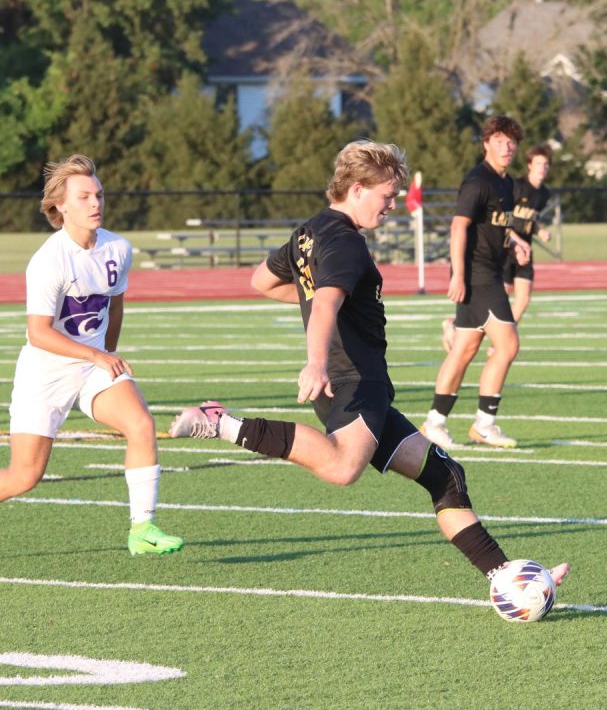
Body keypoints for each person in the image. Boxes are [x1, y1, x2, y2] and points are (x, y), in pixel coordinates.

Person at [167, 140, 568, 590]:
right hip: (354, 380)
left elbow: (262, 280)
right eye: (386, 195)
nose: (392, 206)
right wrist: (315, 360)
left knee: (445, 476)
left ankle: (505, 577)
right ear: (357, 189)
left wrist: (321, 308)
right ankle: (220, 423)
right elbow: (324, 304)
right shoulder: (344, 243)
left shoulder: (310, 231)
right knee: (342, 468)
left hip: (360, 381)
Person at [0, 155, 183, 563]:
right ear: (61, 206)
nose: (95, 202)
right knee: (25, 475)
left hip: (93, 366)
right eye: (83, 196)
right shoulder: (48, 261)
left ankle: (142, 528)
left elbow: (115, 307)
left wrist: (108, 355)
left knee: (141, 423)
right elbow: (39, 333)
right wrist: (97, 354)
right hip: (45, 372)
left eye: (98, 194)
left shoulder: (118, 248)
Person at [424, 116, 531, 451]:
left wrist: (515, 241)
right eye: (499, 140)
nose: (506, 146)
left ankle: (435, 423)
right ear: (486, 143)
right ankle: (484, 424)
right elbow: (459, 228)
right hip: (478, 276)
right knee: (508, 345)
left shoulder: (506, 183)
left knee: (464, 350)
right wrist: (457, 274)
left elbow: (495, 225)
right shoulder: (478, 181)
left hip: (489, 273)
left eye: (511, 141)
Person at [503, 143, 554, 324]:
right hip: (505, 247)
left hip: (525, 250)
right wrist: (517, 241)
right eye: (538, 163)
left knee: (523, 299)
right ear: (530, 165)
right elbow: (502, 220)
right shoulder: (516, 186)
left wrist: (540, 231)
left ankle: (502, 338)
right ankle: (455, 325)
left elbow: (530, 221)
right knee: (499, 300)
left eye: (546, 164)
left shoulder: (544, 194)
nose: (542, 168)